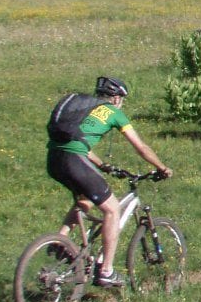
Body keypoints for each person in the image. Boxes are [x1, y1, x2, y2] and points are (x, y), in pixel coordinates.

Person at [45, 76, 173, 288]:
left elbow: (80, 141)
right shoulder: (114, 113)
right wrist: (162, 167)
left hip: (54, 159)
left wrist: (103, 165)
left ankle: (61, 240)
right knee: (112, 209)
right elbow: (141, 147)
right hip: (75, 160)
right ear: (115, 98)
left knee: (84, 200)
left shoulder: (86, 109)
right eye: (122, 99)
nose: (121, 103)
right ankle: (106, 271)